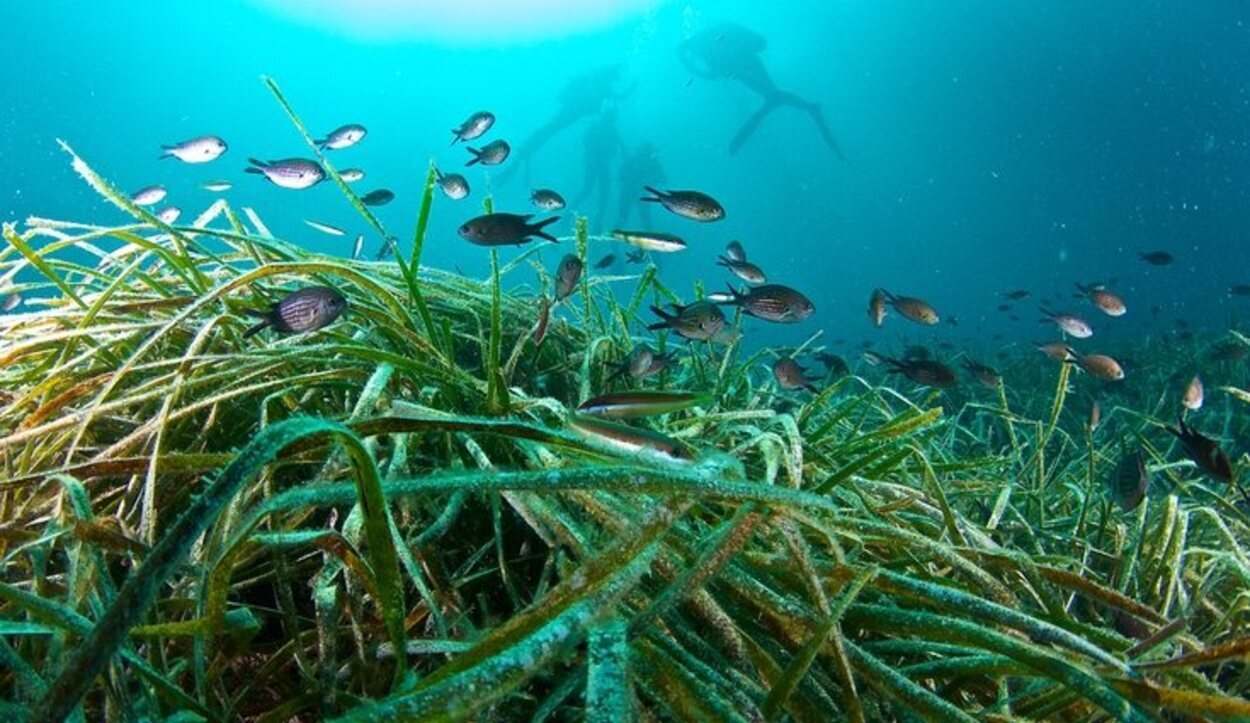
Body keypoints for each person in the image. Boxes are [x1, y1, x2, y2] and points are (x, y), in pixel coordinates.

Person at [678, 23, 846, 158]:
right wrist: (703, 72)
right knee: (772, 94)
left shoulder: (697, 40)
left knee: (771, 95)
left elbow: (681, 50)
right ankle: (809, 107)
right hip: (742, 64)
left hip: (741, 64)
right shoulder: (704, 38)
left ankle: (807, 107)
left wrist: (702, 73)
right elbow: (682, 51)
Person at [496, 65, 634, 187]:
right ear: (611, 76)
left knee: (549, 129)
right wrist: (631, 90)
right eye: (615, 77)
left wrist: (628, 91)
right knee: (549, 129)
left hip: (571, 111)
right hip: (572, 112)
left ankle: (523, 153)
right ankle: (523, 153)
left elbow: (613, 96)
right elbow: (615, 97)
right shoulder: (600, 84)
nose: (615, 80)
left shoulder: (598, 82)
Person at [570, 105, 627, 226]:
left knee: (597, 192)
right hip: (596, 164)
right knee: (593, 191)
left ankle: (597, 221)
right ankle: (569, 217)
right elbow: (587, 143)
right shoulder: (601, 128)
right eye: (612, 116)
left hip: (600, 164)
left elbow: (621, 147)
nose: (614, 119)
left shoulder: (609, 129)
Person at [615, 141, 666, 228]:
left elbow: (663, 179)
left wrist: (648, 180)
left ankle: (613, 239)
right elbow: (621, 175)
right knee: (626, 218)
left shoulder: (652, 163)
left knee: (642, 220)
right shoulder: (649, 162)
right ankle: (613, 240)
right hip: (632, 192)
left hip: (638, 193)